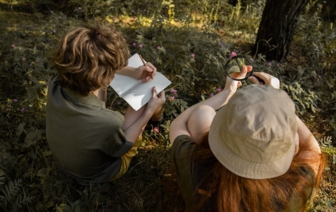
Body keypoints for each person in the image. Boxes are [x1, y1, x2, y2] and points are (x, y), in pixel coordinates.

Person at [169, 66, 325, 212]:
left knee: (202, 114)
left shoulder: (194, 168)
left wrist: (227, 92)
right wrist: (274, 103)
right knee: (297, 137)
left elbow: (179, 124)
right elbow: (312, 148)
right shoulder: (294, 189)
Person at [46, 23, 165, 184]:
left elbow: (92, 66)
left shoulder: (55, 83)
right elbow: (122, 148)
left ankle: (155, 117)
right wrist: (148, 112)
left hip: (66, 160)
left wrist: (133, 72)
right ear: (102, 77)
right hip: (98, 174)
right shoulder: (109, 122)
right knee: (148, 97)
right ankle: (157, 119)